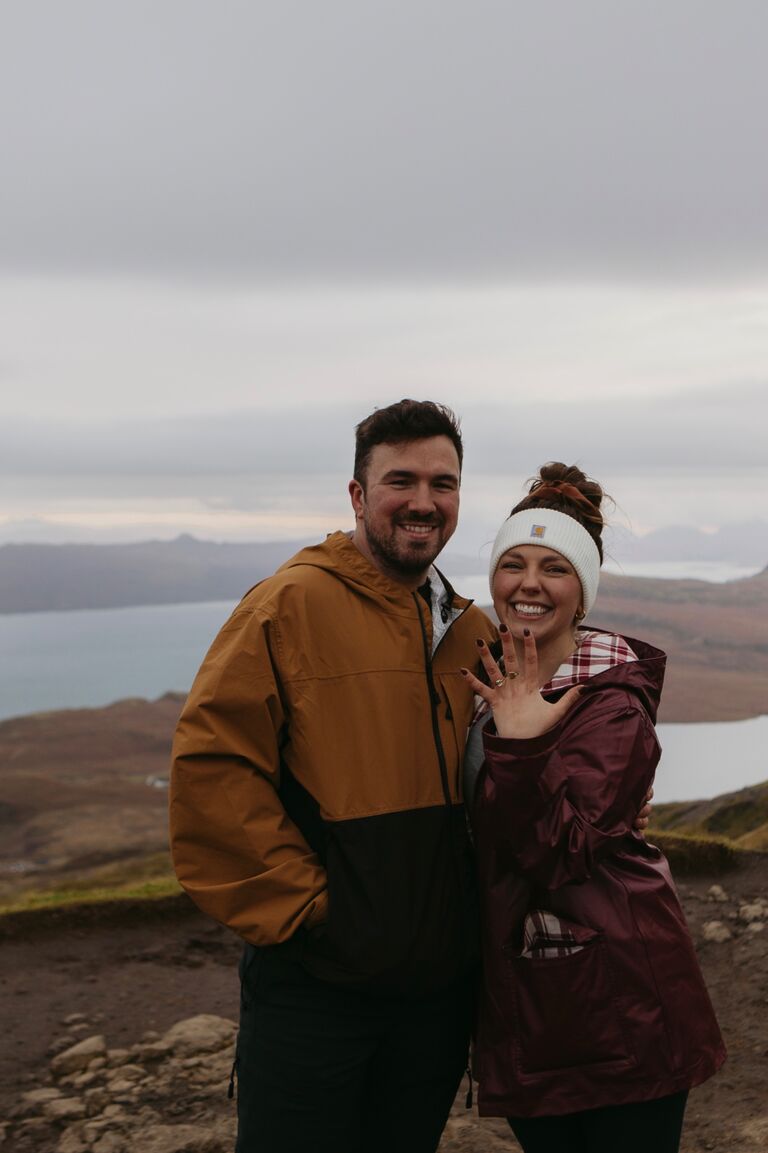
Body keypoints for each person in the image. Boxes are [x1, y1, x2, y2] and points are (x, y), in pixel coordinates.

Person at [169, 399, 498, 1153]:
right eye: (401, 480)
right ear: (358, 494)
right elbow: (213, 769)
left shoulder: (469, 628)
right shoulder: (288, 606)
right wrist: (314, 910)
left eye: (443, 483)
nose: (424, 501)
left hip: (435, 999)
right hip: (315, 994)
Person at [461, 463, 726, 1153]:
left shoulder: (613, 701)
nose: (528, 583)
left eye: (555, 567)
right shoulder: (481, 678)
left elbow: (560, 849)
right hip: (529, 1002)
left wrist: (520, 748)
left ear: (583, 590)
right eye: (512, 562)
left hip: (618, 1011)